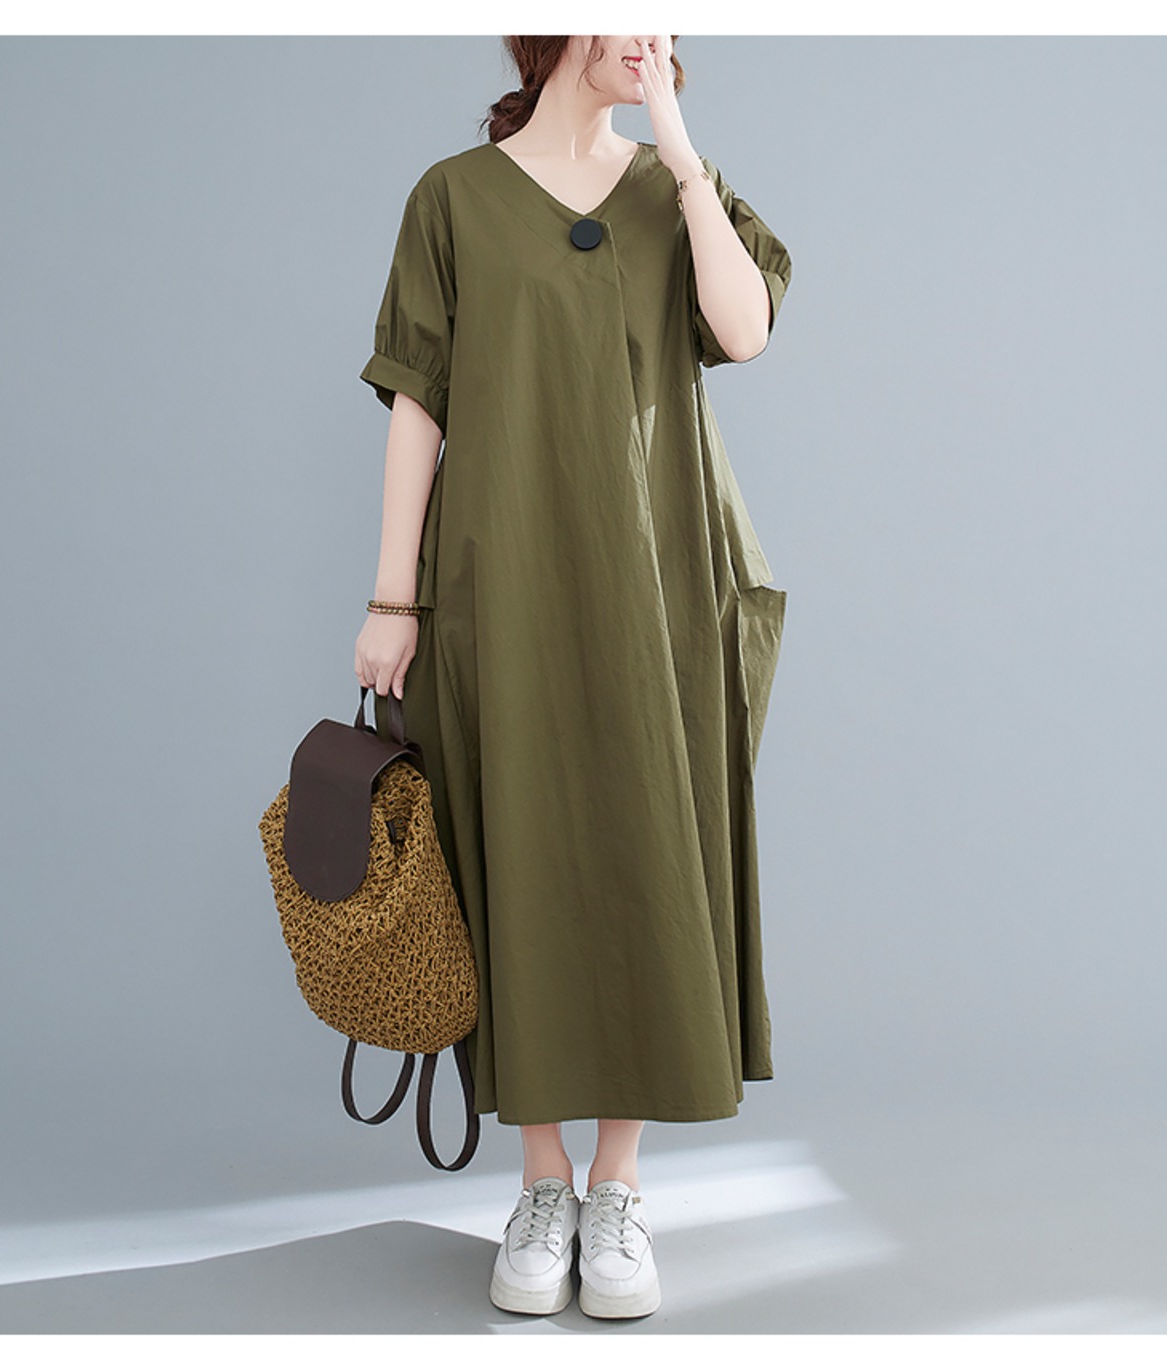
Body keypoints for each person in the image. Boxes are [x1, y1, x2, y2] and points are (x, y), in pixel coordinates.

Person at [354, 34, 793, 1320]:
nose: (647, 32)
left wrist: (678, 147)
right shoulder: (453, 197)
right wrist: (391, 594)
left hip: (657, 577)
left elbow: (743, 330)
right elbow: (418, 402)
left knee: (650, 851)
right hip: (501, 577)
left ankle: (616, 1187)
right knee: (519, 851)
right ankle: (540, 1182)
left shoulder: (674, 189)